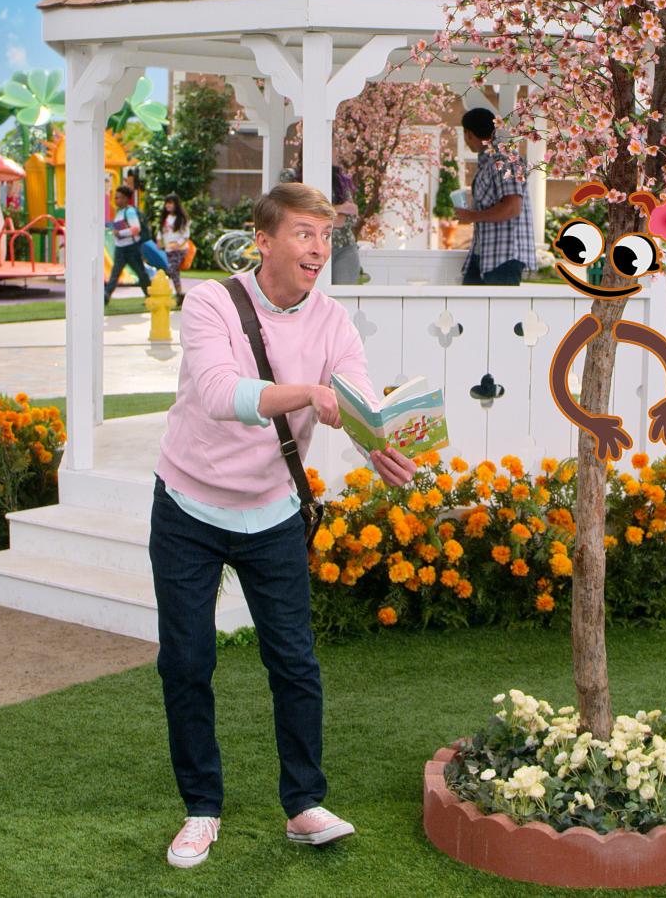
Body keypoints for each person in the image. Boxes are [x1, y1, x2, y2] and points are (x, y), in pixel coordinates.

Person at [150, 183, 416, 869]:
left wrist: (377, 441)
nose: (318, 250)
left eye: (325, 237)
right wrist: (307, 393)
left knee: (294, 662)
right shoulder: (212, 301)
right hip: (188, 508)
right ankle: (201, 809)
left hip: (271, 513)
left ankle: (303, 805)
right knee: (187, 662)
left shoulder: (332, 321)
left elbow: (354, 398)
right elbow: (217, 394)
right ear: (262, 240)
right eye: (303, 234)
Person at [455, 107, 537, 286]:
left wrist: (472, 216)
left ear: (468, 134)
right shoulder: (489, 162)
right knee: (467, 308)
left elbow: (512, 207)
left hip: (504, 255)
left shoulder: (505, 160)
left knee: (500, 313)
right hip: (484, 252)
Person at [104, 185, 152, 305]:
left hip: (131, 248)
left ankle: (150, 295)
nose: (116, 200)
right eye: (115, 198)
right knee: (115, 273)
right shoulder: (120, 212)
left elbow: (136, 229)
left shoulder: (130, 212)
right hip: (121, 248)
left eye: (118, 198)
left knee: (141, 273)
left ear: (126, 199)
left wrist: (120, 233)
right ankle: (106, 296)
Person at [329, 165, 361, 285]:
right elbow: (306, 212)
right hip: (312, 250)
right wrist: (340, 208)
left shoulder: (340, 181)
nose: (336, 150)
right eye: (333, 148)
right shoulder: (296, 177)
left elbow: (352, 215)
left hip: (345, 248)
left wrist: (331, 212)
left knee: (343, 296)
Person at [160, 193, 190, 299]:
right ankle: (179, 293)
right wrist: (159, 241)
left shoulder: (181, 219)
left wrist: (178, 244)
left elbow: (186, 234)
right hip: (169, 249)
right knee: (175, 272)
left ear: (176, 204)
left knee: (171, 269)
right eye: (166, 203)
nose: (168, 205)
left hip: (180, 249)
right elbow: (162, 231)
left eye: (170, 203)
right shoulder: (165, 218)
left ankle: (165, 291)